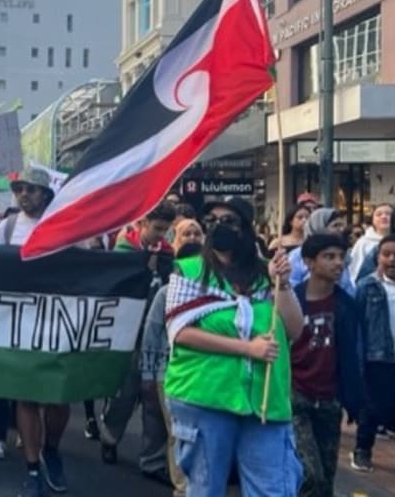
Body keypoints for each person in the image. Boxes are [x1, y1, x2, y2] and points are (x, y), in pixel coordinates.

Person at [165, 197, 304, 495]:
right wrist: (247, 349)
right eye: (211, 222)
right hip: (205, 397)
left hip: (265, 402)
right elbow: (179, 331)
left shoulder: (268, 274)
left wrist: (283, 284)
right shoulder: (188, 271)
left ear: (245, 229)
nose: (217, 227)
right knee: (205, 488)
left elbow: (294, 328)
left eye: (227, 221)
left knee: (273, 490)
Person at [0, 168, 69, 497]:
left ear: (45, 193)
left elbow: (86, 267)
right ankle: (32, 468)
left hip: (59, 321)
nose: (23, 194)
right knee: (26, 395)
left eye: (31, 188)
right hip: (20, 322)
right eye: (18, 188)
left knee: (58, 397)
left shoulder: (67, 224)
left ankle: (50, 449)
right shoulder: (6, 227)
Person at [100, 202, 175, 486]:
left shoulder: (169, 255)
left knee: (154, 399)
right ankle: (110, 436)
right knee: (125, 394)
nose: (161, 235)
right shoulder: (124, 253)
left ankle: (152, 460)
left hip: (156, 336)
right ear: (142, 223)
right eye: (157, 228)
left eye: (166, 230)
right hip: (128, 335)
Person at [290, 234, 361, 497]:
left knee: (326, 477)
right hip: (296, 394)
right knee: (309, 473)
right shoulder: (293, 299)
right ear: (309, 262)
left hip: (329, 398)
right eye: (329, 257)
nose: (337, 263)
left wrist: (353, 398)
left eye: (341, 257)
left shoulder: (346, 305)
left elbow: (352, 355)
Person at [142, 240, 201, 497]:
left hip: (199, 375)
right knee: (178, 434)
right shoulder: (166, 293)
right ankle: (182, 487)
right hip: (167, 374)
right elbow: (151, 336)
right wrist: (147, 375)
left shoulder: (211, 293)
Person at [350, 233, 395, 472]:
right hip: (376, 356)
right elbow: (357, 324)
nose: (392, 260)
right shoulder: (367, 286)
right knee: (371, 406)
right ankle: (362, 449)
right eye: (386, 254)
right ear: (377, 257)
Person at [286, 208, 355, 296]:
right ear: (318, 226)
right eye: (335, 225)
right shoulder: (296, 256)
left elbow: (347, 287)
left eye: (341, 225)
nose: (340, 230)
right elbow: (291, 286)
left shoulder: (342, 254)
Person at [349, 202, 394, 280]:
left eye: (388, 214)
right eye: (379, 214)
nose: (384, 217)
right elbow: (354, 270)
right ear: (373, 220)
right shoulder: (363, 242)